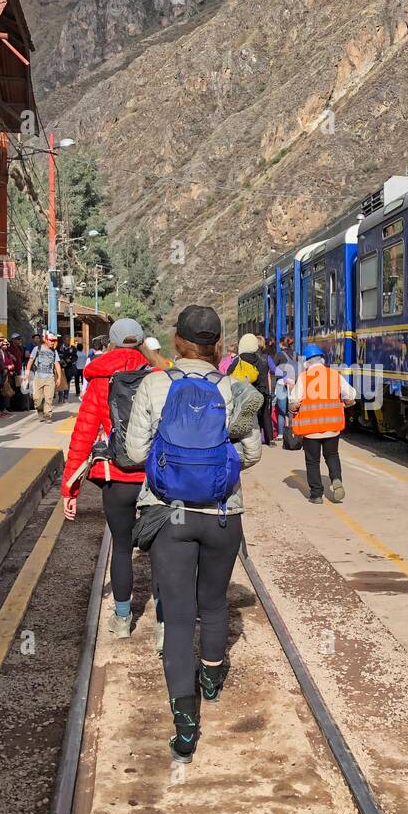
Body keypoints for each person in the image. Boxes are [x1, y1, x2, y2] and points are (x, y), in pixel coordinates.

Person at [124, 305, 262, 763]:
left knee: (180, 617)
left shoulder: (155, 383)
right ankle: (212, 679)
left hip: (170, 515)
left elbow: (135, 451)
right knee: (215, 603)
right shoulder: (235, 388)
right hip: (224, 513)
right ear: (218, 346)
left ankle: (185, 729)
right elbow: (252, 455)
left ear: (178, 343)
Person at [63, 318, 163, 643]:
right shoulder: (158, 376)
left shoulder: (99, 380)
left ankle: (122, 620)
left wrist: (70, 488)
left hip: (114, 478)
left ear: (113, 342)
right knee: (163, 550)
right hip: (153, 479)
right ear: (142, 341)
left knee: (121, 548)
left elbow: (83, 436)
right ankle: (162, 624)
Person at [290, 343, 355, 504]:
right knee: (332, 455)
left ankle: (317, 495)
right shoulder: (334, 375)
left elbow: (294, 401)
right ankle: (336, 479)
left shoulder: (304, 378)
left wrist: (293, 407)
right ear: (322, 359)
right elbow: (350, 395)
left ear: (307, 362)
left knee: (313, 461)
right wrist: (346, 402)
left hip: (310, 429)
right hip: (332, 427)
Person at [24, 331, 60, 420]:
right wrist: (27, 374)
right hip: (38, 377)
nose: (52, 342)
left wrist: (59, 378)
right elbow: (30, 361)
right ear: (45, 340)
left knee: (49, 397)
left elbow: (57, 364)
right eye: (51, 340)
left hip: (50, 378)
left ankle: (48, 415)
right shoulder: (37, 349)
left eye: (54, 341)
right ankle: (39, 410)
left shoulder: (54, 352)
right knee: (37, 398)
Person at [57, 338, 78, 403]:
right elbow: (56, 355)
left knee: (67, 382)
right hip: (60, 367)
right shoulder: (59, 347)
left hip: (69, 368)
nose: (67, 341)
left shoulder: (73, 348)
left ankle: (65, 397)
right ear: (63, 341)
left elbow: (75, 357)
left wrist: (71, 360)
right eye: (66, 340)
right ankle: (60, 396)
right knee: (60, 382)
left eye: (68, 340)